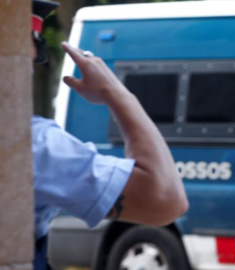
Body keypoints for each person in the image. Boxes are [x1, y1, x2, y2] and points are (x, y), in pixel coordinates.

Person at [31, 1, 189, 269]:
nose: (35, 53)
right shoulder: (30, 144)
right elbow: (166, 201)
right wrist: (117, 93)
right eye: (32, 40)